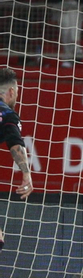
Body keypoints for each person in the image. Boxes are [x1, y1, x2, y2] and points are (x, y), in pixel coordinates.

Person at [0, 69, 32, 209]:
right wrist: (26, 173)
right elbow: (15, 142)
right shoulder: (8, 114)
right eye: (18, 92)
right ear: (12, 92)